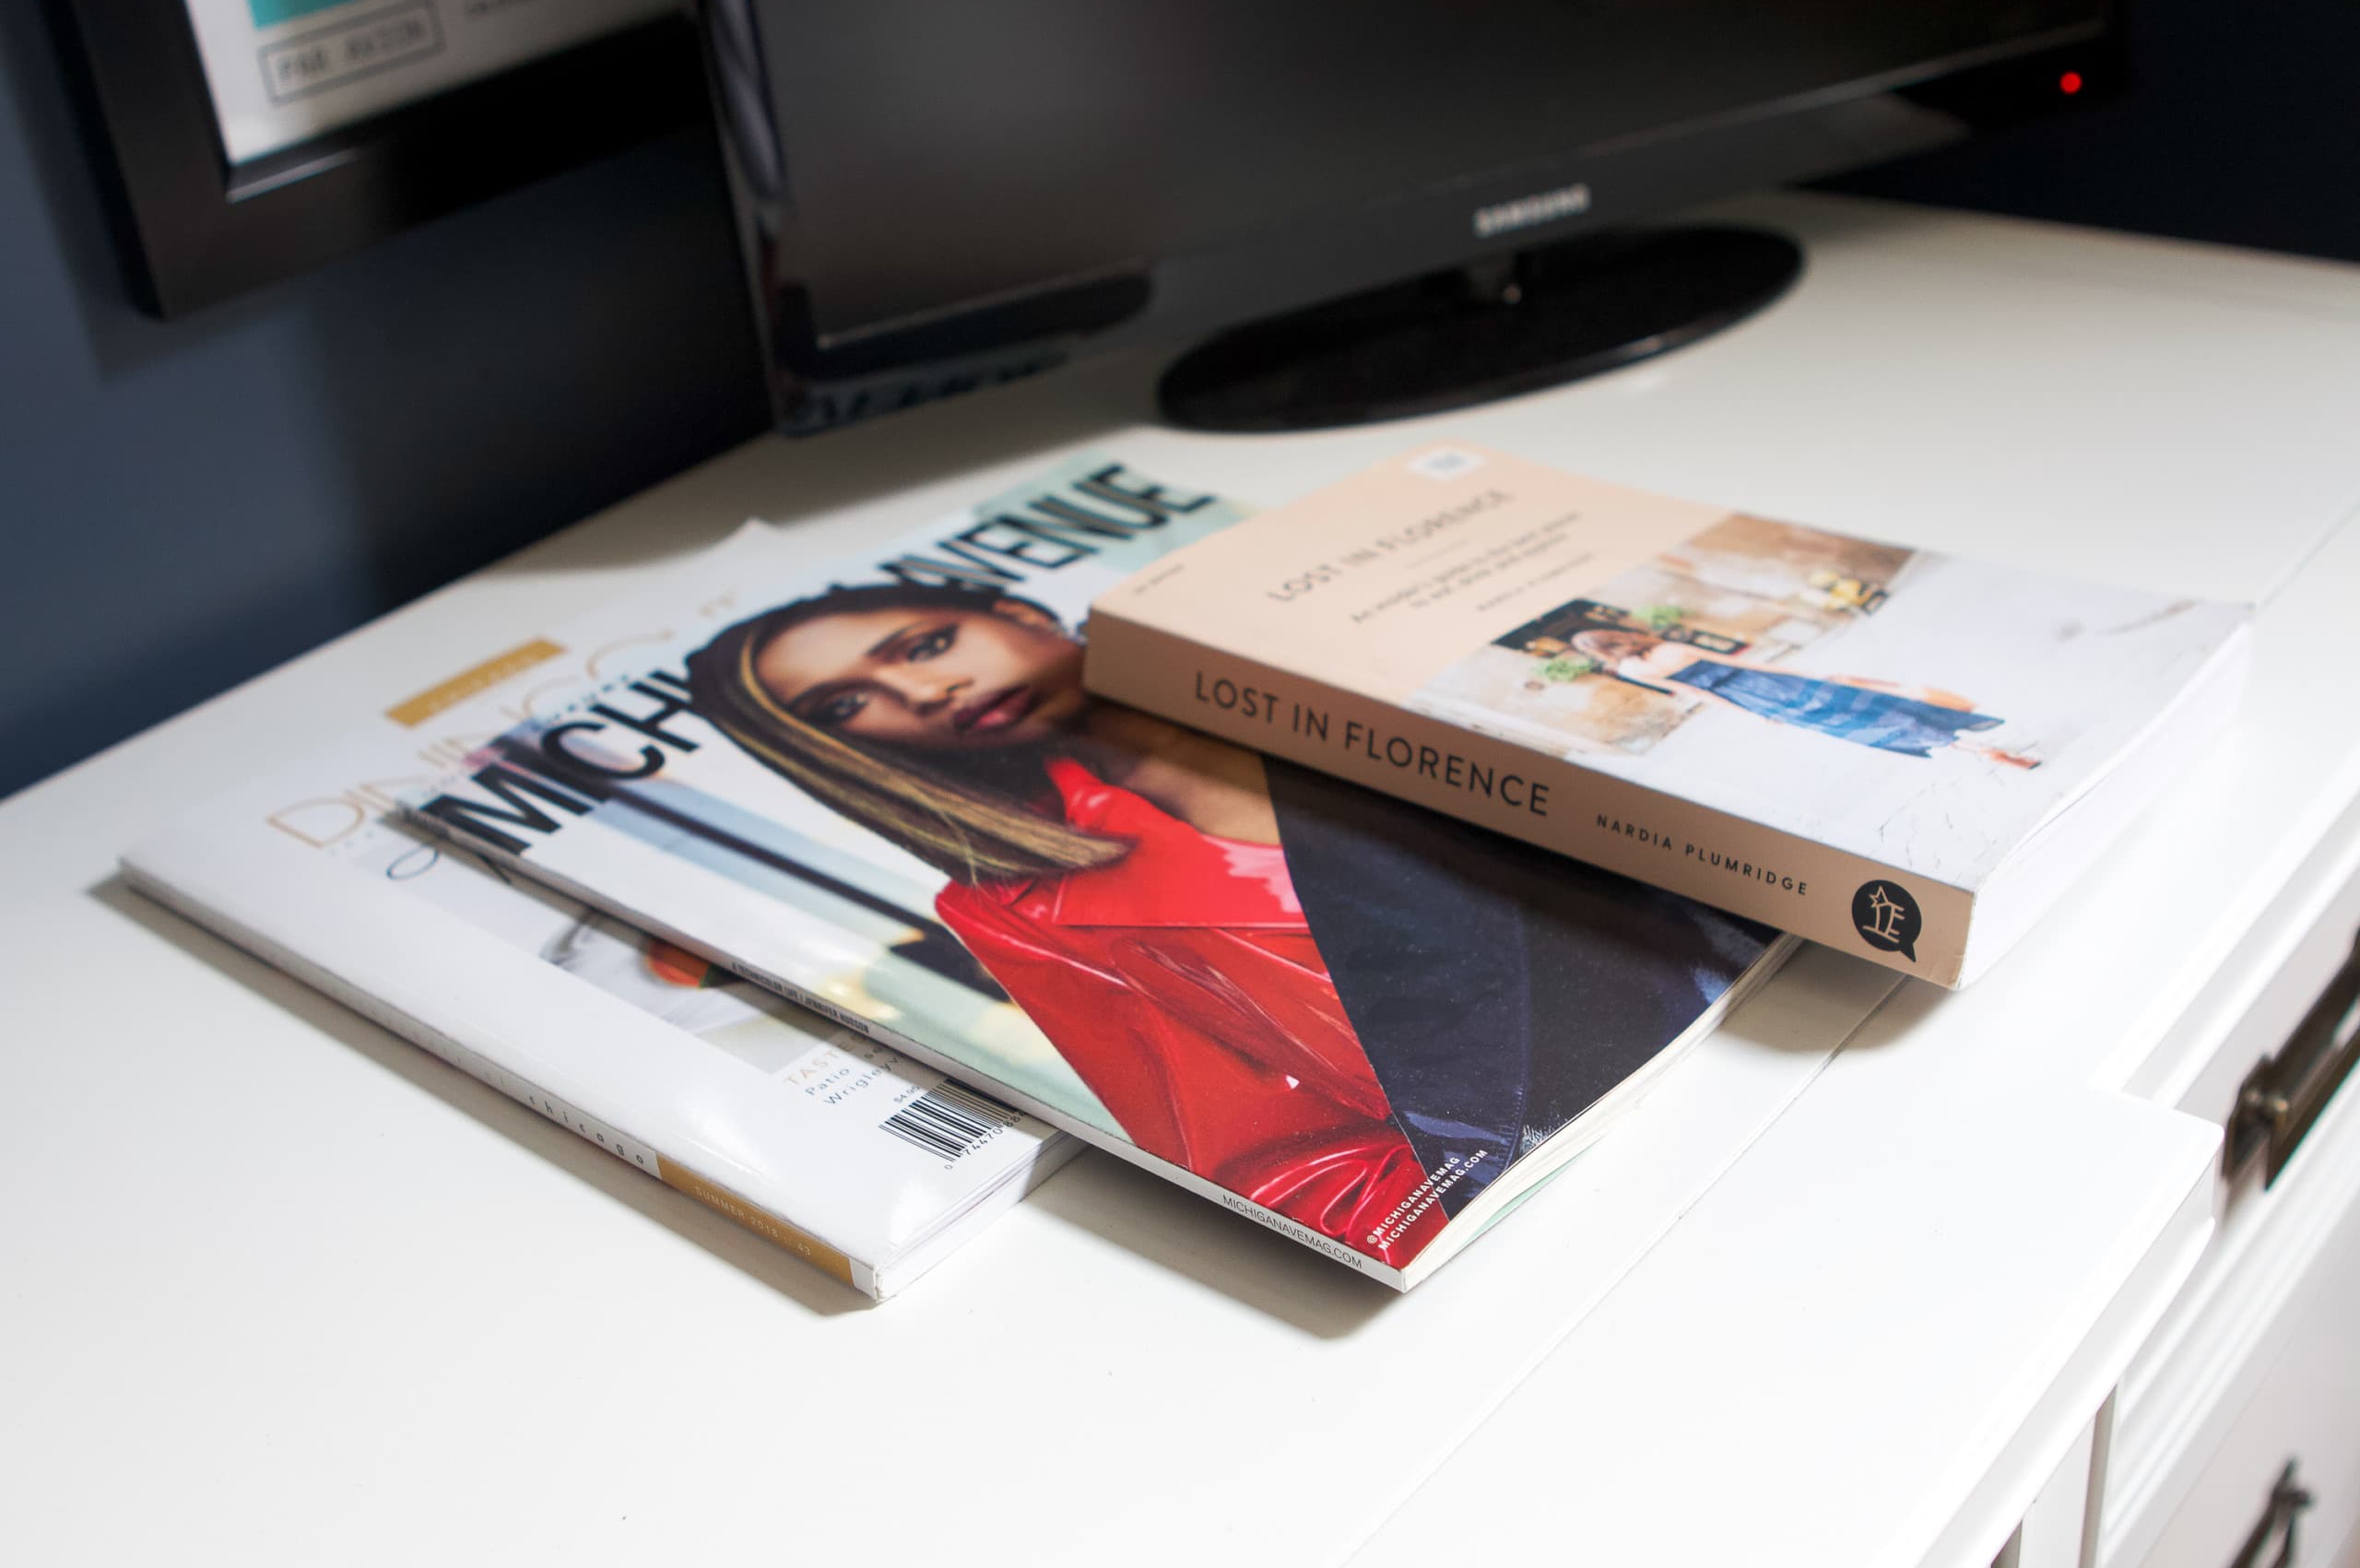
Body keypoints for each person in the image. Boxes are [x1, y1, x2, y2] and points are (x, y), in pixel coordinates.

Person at [684, 582, 1450, 1267]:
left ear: (1015, 612)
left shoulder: (1286, 654)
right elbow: (1297, 1174)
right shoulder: (1015, 904)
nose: (925, 689)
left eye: (927, 644)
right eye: (846, 706)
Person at [1569, 629, 2039, 766]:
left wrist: (1754, 715)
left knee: (1854, 724)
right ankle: (1975, 741)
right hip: (1778, 684)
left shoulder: (1632, 669)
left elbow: (1695, 693)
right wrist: (1801, 671)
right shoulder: (1669, 646)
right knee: (1865, 704)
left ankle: (1969, 749)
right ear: (1616, 633)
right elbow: (1748, 663)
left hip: (1759, 701)